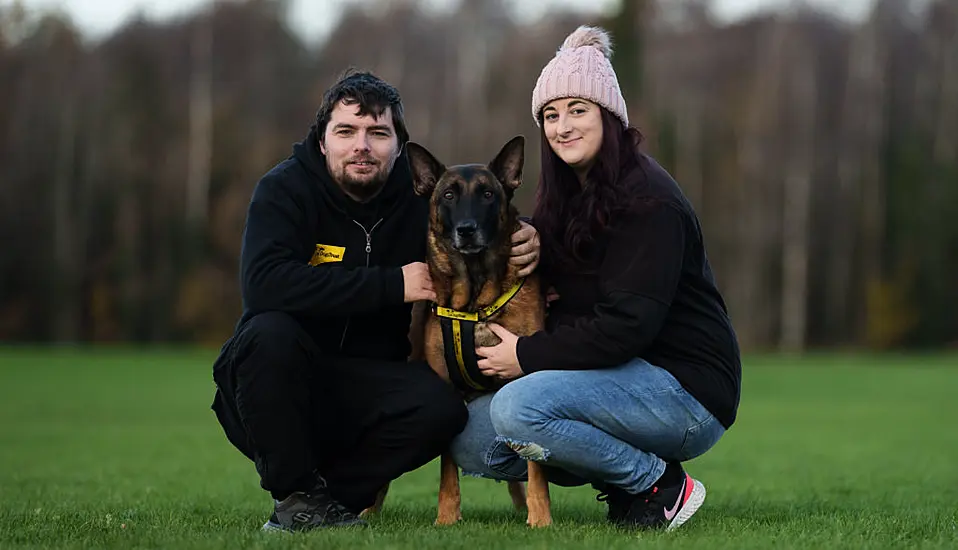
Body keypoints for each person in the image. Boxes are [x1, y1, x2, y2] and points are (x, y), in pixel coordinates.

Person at [209, 70, 541, 532]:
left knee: (440, 408)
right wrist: (391, 286)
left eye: (377, 133)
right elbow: (263, 285)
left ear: (399, 146)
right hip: (276, 385)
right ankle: (294, 494)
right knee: (269, 333)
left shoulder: (418, 199)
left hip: (365, 384)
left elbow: (476, 215)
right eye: (346, 131)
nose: (361, 145)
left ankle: (324, 500)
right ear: (323, 140)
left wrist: (528, 234)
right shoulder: (284, 190)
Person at [450, 26, 742, 531]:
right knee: (469, 438)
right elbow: (573, 288)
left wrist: (524, 356)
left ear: (609, 115)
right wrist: (540, 246)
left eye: (578, 110)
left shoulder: (649, 200)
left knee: (519, 409)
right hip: (617, 380)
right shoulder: (566, 198)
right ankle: (623, 484)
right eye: (550, 115)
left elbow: (628, 326)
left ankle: (656, 483)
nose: (562, 127)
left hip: (685, 390)